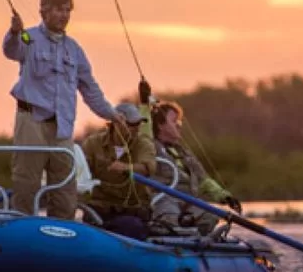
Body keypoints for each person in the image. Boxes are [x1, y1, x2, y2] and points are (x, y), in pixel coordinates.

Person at [3, 0, 121, 218]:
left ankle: (61, 228)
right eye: (58, 10)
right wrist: (14, 32)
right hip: (32, 121)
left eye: (67, 10)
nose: (64, 15)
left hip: (62, 127)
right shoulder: (28, 38)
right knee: (27, 183)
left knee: (66, 189)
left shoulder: (75, 50)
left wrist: (111, 114)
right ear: (44, 12)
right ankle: (22, 227)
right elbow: (11, 50)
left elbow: (90, 88)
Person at [150, 100, 242, 234]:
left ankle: (191, 234)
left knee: (210, 218)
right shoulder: (150, 147)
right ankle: (171, 232)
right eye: (174, 121)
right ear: (160, 125)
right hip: (164, 200)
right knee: (170, 218)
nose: (179, 125)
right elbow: (144, 131)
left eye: (180, 122)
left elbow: (203, 179)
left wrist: (225, 197)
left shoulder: (183, 152)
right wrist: (145, 104)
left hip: (188, 201)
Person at [81, 101, 157, 238]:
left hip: (132, 210)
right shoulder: (92, 143)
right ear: (116, 123)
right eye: (132, 124)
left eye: (139, 123)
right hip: (100, 208)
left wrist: (126, 168)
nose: (137, 128)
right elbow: (81, 170)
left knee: (132, 226)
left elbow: (148, 168)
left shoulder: (144, 144)